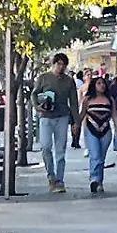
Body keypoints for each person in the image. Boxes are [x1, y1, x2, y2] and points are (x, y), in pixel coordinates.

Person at [33, 53, 81, 194]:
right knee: (46, 146)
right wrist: (38, 106)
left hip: (62, 117)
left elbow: (73, 102)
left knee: (60, 151)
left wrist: (75, 122)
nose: (60, 67)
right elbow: (34, 94)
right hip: (46, 117)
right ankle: (51, 176)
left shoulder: (69, 81)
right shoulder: (44, 78)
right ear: (53, 64)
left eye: (63, 64)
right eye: (58, 64)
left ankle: (59, 180)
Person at [81, 76, 117, 194]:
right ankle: (94, 179)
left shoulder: (110, 99)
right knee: (95, 155)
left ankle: (99, 181)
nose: (101, 85)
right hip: (91, 130)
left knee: (101, 158)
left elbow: (114, 115)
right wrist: (76, 125)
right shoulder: (87, 99)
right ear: (93, 85)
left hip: (105, 131)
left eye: (103, 83)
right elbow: (82, 113)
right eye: (98, 83)